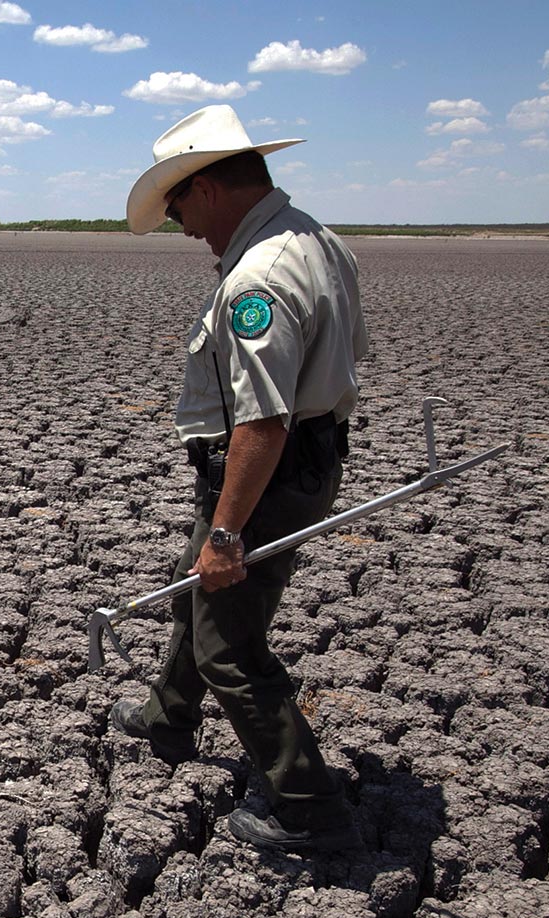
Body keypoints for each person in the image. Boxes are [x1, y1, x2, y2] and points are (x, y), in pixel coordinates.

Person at [111, 104, 367, 854]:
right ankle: (168, 715)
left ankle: (307, 807)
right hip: (293, 464)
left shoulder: (260, 276)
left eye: (182, 204)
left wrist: (226, 529)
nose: (184, 226)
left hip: (265, 475)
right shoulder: (316, 238)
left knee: (230, 642)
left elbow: (264, 420)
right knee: (199, 590)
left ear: (212, 187)